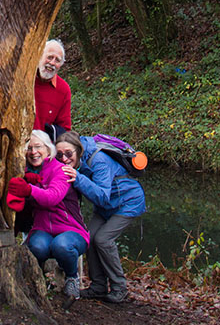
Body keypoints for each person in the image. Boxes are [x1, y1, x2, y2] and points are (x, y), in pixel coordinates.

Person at [56, 131, 146, 303]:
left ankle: (120, 288)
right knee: (88, 238)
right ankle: (98, 286)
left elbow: (103, 195)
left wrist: (78, 179)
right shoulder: (79, 163)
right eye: (59, 155)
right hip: (106, 207)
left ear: (78, 150)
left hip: (127, 202)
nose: (64, 159)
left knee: (103, 240)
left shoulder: (99, 160)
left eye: (68, 154)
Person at [7, 130, 89, 299]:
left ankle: (72, 278)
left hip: (71, 230)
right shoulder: (24, 171)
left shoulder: (61, 170)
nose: (33, 152)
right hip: (42, 228)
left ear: (48, 149)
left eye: (38, 147)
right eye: (29, 148)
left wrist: (29, 189)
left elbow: (52, 197)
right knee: (36, 246)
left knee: (62, 245)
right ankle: (38, 281)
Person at [33, 39, 72, 141]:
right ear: (40, 55)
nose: (52, 63)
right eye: (49, 57)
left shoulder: (63, 89)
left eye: (57, 60)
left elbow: (64, 129)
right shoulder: (23, 77)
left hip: (42, 149)